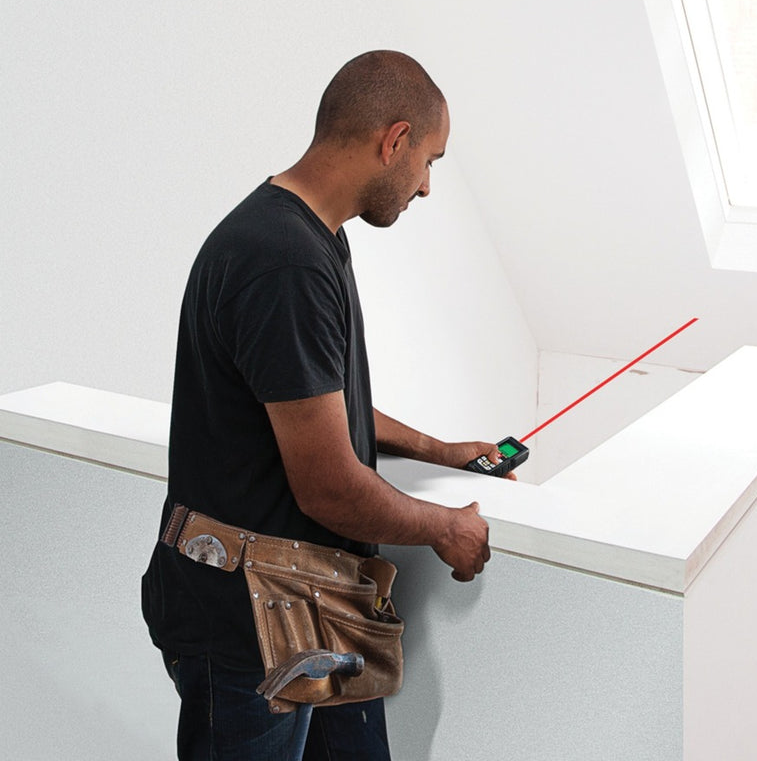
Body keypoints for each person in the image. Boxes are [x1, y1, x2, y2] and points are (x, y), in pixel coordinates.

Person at [142, 50, 507, 761]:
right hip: (247, 631)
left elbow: (314, 405)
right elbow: (328, 486)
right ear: (394, 140)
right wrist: (445, 528)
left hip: (315, 610)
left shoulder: (315, 239)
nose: (426, 186)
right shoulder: (283, 260)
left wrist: (441, 451)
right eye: (429, 161)